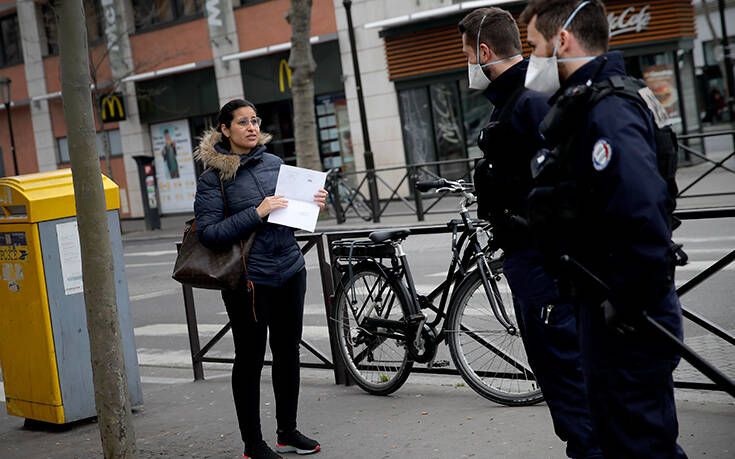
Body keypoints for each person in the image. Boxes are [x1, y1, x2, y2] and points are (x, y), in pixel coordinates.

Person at [520, 1, 687, 456]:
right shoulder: (596, 102)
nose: (531, 57)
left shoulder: (608, 110)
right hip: (610, 308)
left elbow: (643, 211)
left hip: (626, 318)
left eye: (533, 45)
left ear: (563, 40)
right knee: (624, 440)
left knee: (641, 445)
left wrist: (629, 305)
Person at [458, 8, 601, 458]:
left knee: (572, 391)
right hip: (534, 264)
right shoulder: (513, 100)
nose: (466, 65)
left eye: (465, 55)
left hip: (545, 269)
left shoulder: (528, 98)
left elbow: (568, 183)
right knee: (566, 389)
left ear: (483, 52)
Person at [193, 99, 327, 459]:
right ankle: (253, 444)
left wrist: (312, 204)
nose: (251, 127)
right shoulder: (213, 179)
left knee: (288, 353)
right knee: (250, 359)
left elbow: (291, 217)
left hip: (290, 270)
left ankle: (287, 431)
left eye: (255, 121)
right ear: (225, 130)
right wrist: (257, 212)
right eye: (242, 122)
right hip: (249, 281)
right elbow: (209, 233)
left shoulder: (275, 163)